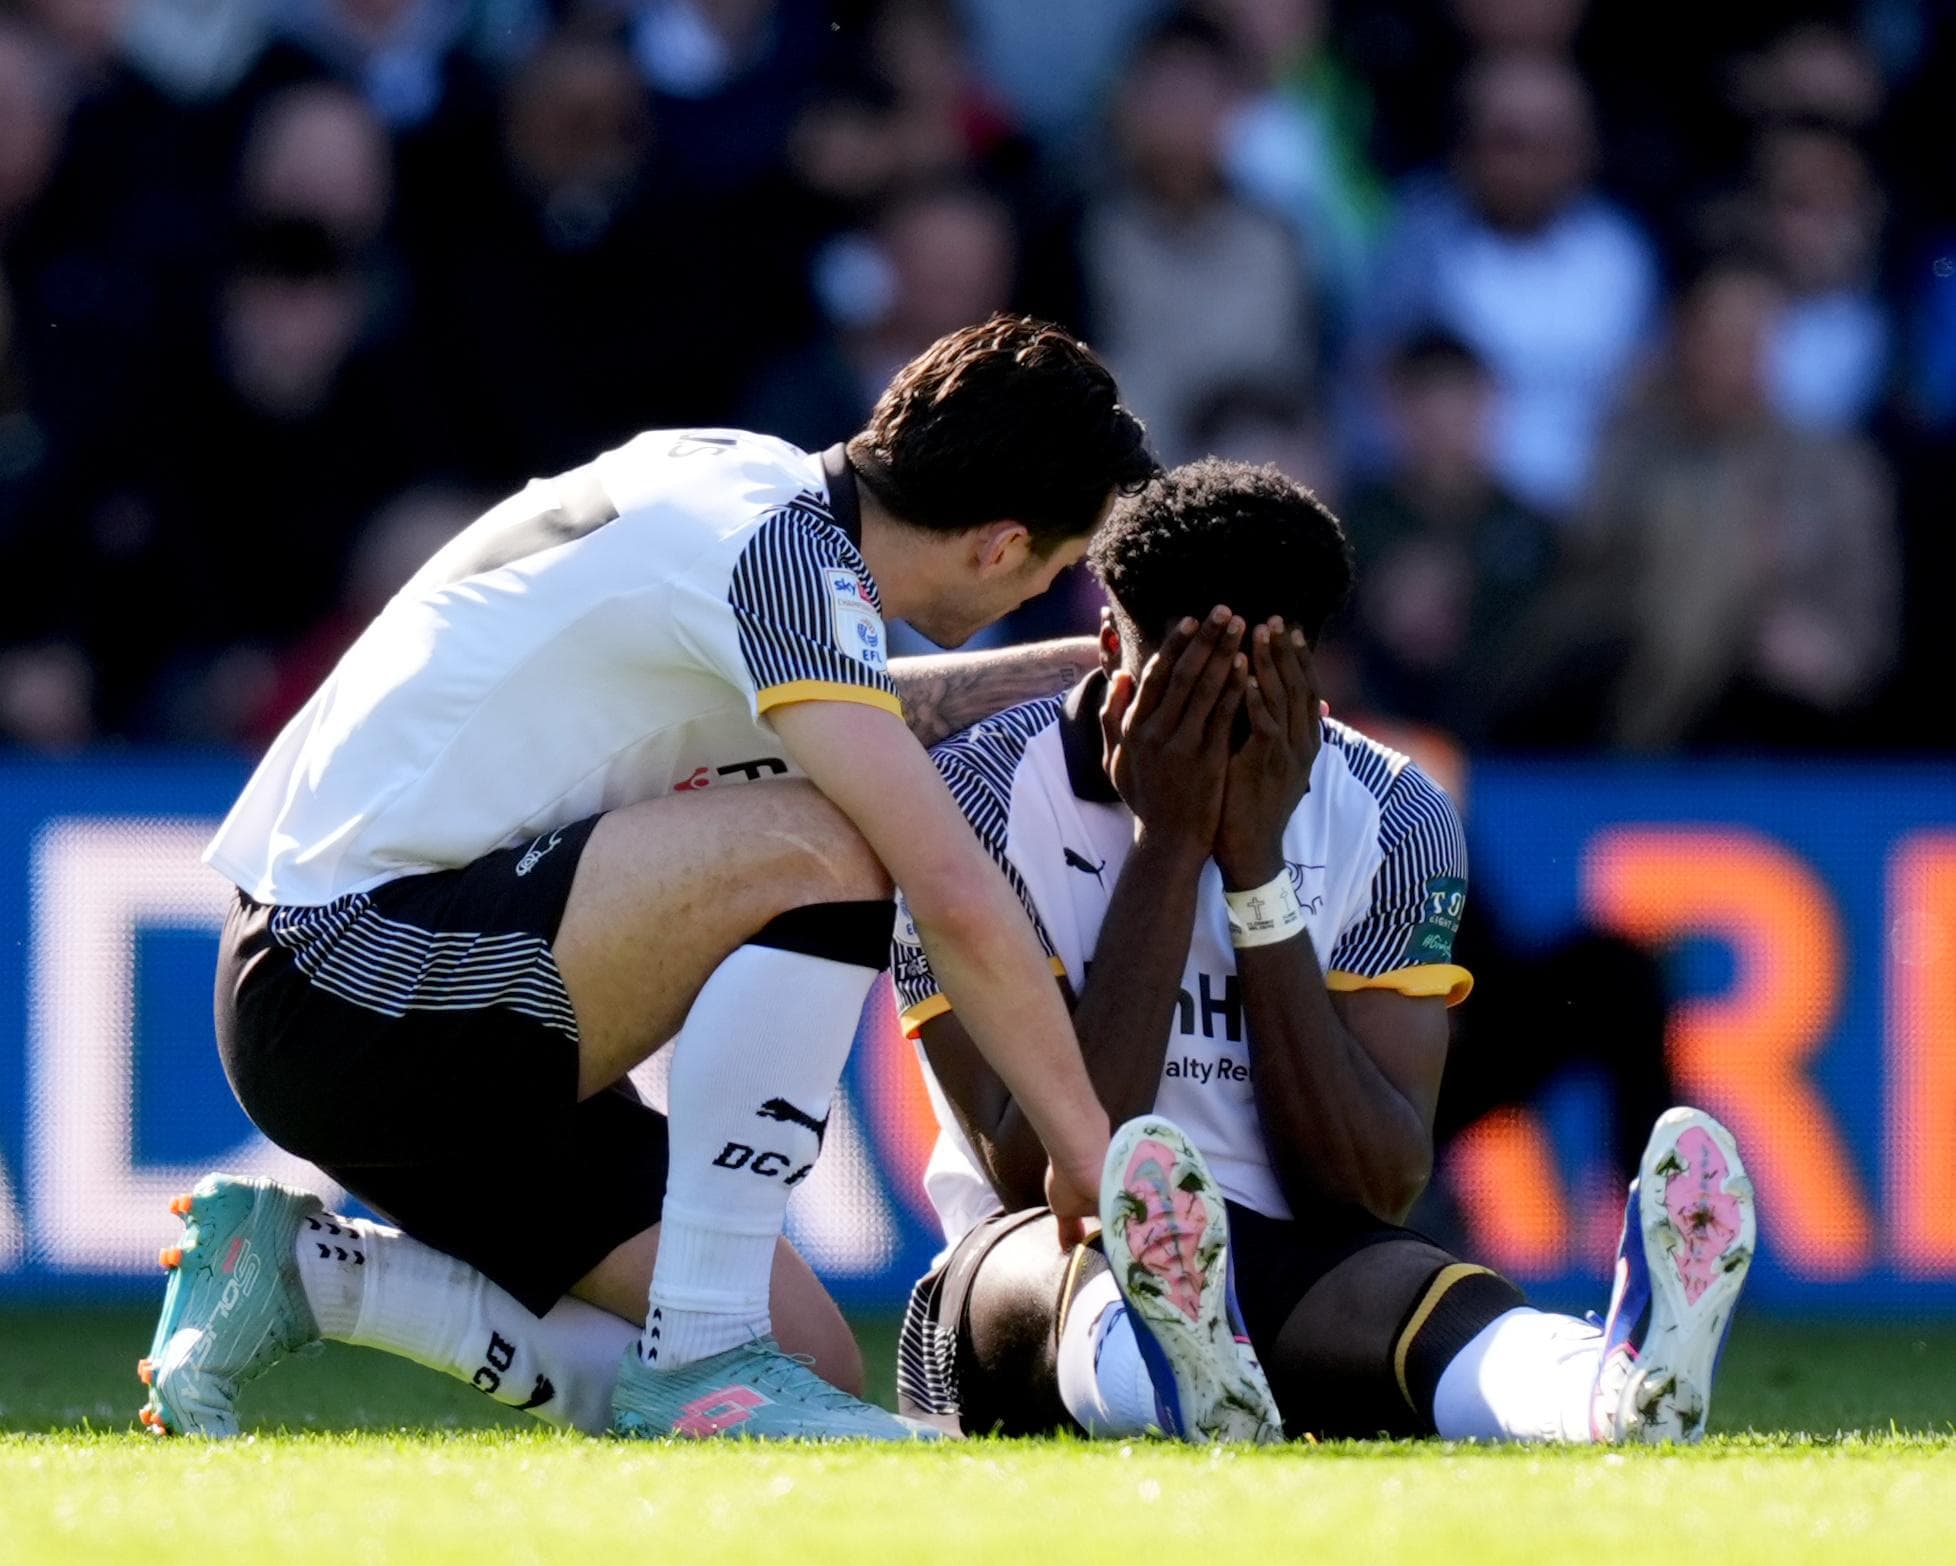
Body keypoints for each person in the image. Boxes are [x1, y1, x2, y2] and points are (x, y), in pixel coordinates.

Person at [137, 314, 1152, 1442]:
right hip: (343, 977)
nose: (1042, 593)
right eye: (1060, 572)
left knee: (812, 1359)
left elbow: (864, 707)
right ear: (1003, 545)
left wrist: (1077, 675)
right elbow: (949, 886)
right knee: (841, 842)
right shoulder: (783, 560)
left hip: (389, 973)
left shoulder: (756, 493)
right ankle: (709, 1354)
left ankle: (305, 1276)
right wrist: (1092, 1157)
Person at [890, 458, 1756, 1443]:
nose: (1218, 728)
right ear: (1105, 653)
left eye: (1255, 692)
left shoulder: (1395, 810)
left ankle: (1609, 1396)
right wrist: (1169, 846)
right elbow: (1046, 1173)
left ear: (1313, 680)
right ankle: (1177, 1377)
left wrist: (1255, 871)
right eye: (1184, 691)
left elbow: (1374, 1187)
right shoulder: (974, 800)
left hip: (1304, 1266)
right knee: (1055, 1269)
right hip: (1037, 1278)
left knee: (1433, 1295)